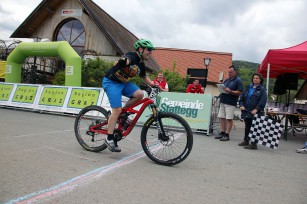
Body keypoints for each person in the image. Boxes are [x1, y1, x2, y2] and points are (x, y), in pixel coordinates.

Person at [102, 39, 156, 152]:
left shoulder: (141, 64)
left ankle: (123, 114)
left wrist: (154, 85)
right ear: (141, 49)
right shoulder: (132, 55)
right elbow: (127, 58)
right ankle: (109, 138)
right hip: (111, 82)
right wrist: (125, 60)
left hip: (123, 83)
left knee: (139, 94)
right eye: (149, 50)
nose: (151, 52)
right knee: (116, 110)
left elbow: (144, 77)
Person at [238, 73, 267, 150]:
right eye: (254, 78)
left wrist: (257, 109)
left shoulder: (262, 90)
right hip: (246, 110)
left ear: (260, 80)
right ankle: (246, 141)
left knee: (255, 127)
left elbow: (263, 101)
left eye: (257, 78)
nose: (255, 79)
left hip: (256, 111)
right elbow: (241, 98)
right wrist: (241, 105)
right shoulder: (248, 88)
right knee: (247, 126)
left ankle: (254, 144)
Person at [215, 65, 243, 141]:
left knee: (229, 119)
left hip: (230, 103)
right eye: (228, 72)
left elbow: (240, 92)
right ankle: (222, 132)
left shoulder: (238, 81)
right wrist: (221, 87)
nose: (229, 73)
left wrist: (230, 91)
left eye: (230, 72)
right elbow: (224, 88)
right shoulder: (227, 80)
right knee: (222, 117)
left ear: (235, 72)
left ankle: (227, 135)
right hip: (223, 101)